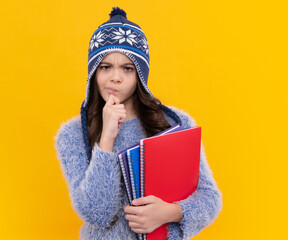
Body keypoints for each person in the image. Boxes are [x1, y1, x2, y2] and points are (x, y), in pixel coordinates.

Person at [54, 7, 222, 240]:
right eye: (105, 66)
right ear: (93, 72)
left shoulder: (175, 123)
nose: (115, 77)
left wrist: (169, 213)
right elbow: (98, 214)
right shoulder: (72, 135)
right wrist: (107, 139)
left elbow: (210, 199)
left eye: (127, 68)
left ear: (139, 76)